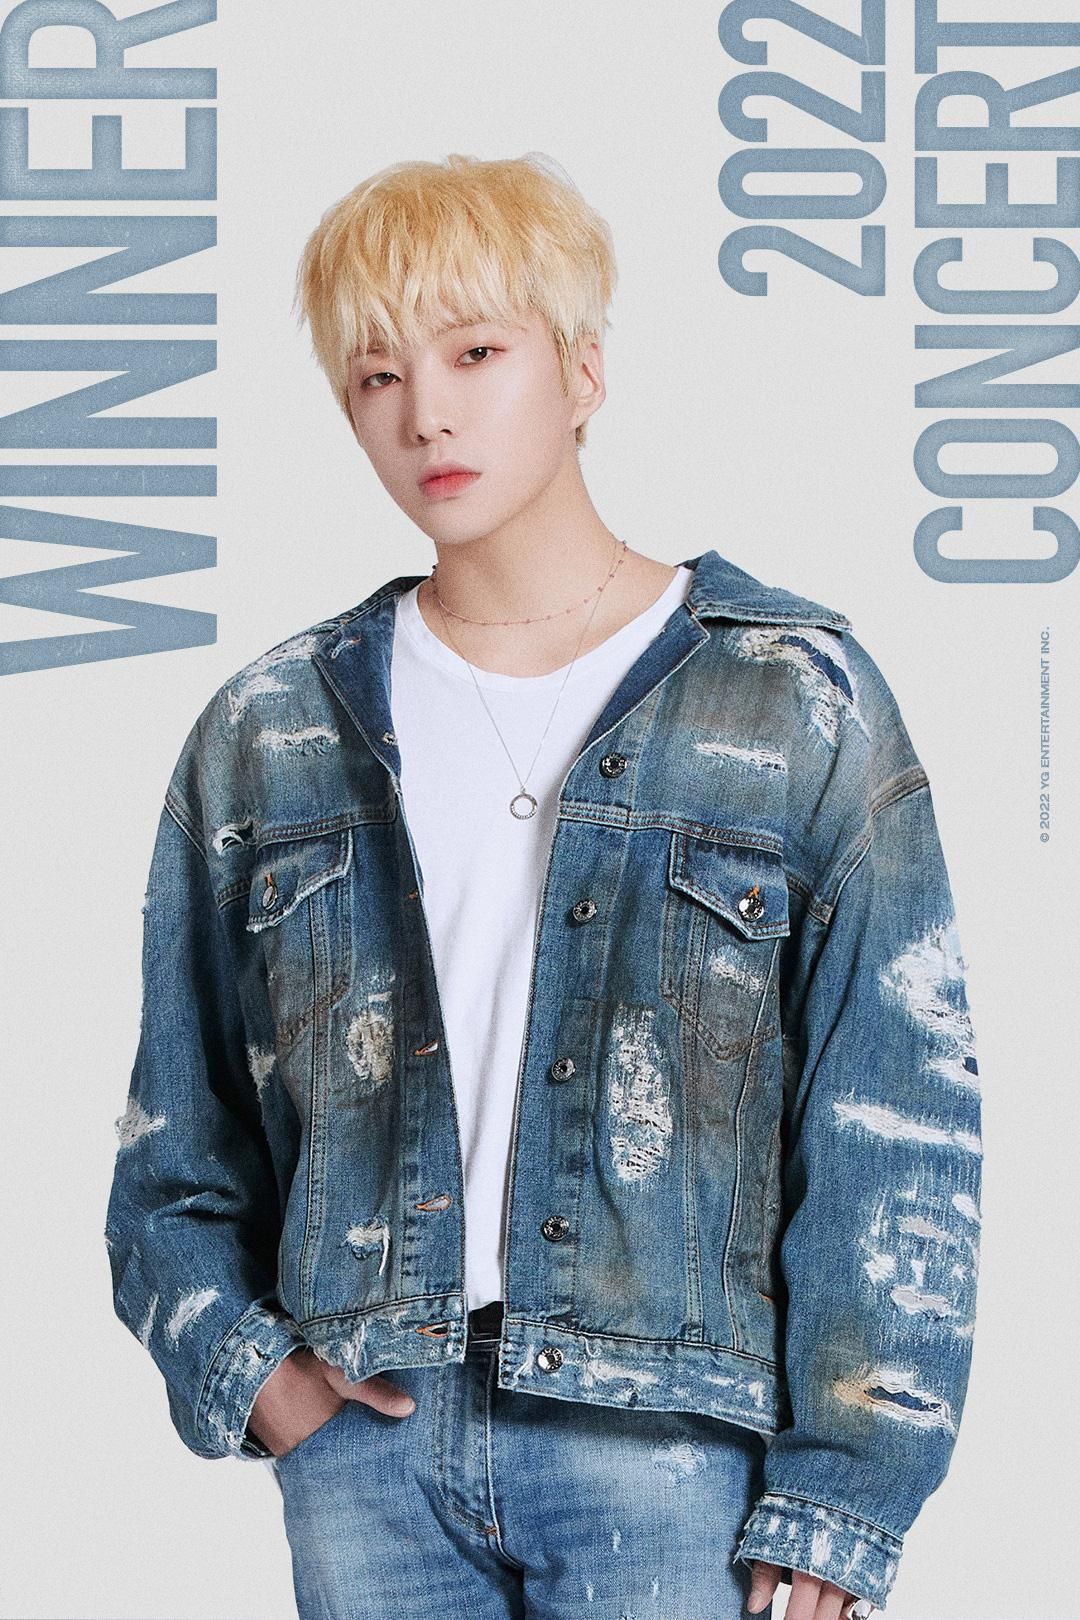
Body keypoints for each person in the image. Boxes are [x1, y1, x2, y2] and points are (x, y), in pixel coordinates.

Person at [104, 152, 982, 1620]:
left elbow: (894, 1114)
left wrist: (847, 1488)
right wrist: (259, 1380)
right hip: (369, 1448)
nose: (426, 415)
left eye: (475, 354)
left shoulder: (789, 696)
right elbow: (172, 1143)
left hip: (672, 1448)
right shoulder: (273, 730)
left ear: (582, 371)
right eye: (378, 376)